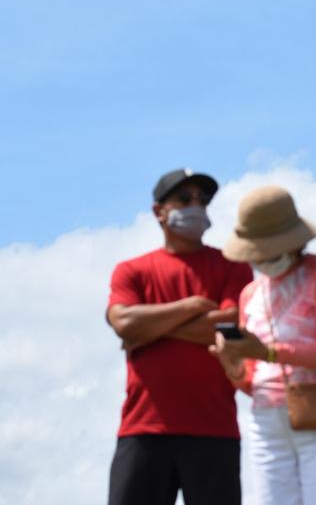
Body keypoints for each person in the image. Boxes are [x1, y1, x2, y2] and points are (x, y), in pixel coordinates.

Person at [209, 185, 316, 505]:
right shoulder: (250, 293)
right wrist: (233, 366)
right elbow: (252, 380)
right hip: (267, 419)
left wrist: (264, 351)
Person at [106, 168, 253, 505]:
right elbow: (124, 323)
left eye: (202, 199)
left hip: (214, 430)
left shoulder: (232, 265)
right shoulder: (133, 270)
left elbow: (231, 326)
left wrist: (149, 330)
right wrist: (194, 305)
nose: (196, 205)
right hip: (143, 431)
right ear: (159, 211)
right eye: (184, 199)